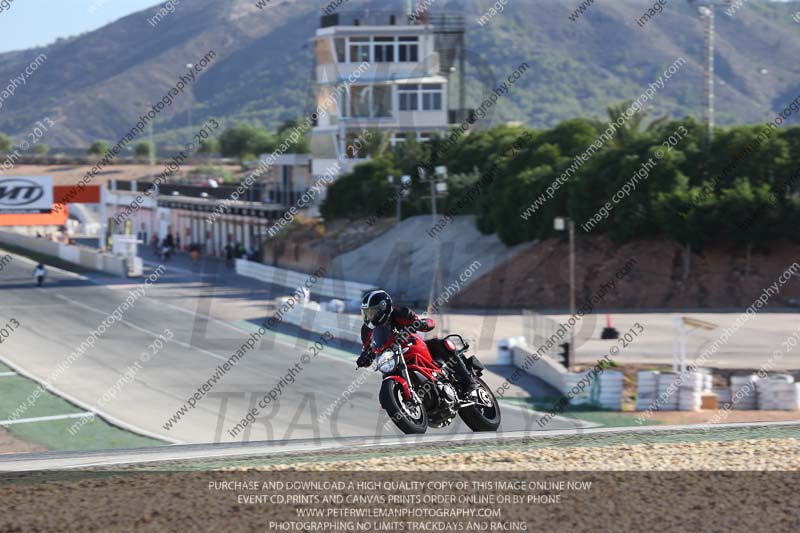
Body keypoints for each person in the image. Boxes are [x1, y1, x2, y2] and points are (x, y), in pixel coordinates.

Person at [356, 289, 479, 392]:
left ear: (382, 308)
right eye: (366, 313)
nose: (368, 317)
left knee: (442, 344)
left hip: (412, 347)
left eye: (371, 312)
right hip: (391, 358)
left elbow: (428, 323)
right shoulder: (366, 331)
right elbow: (367, 349)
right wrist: (364, 358)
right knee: (386, 374)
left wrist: (420, 324)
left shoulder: (400, 314)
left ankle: (468, 382)